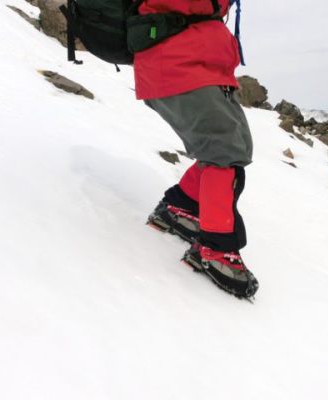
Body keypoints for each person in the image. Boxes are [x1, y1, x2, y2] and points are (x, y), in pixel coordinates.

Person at [134, 0, 258, 298]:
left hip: (201, 68)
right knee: (224, 152)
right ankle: (216, 249)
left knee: (237, 147)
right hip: (177, 67)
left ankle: (180, 207)